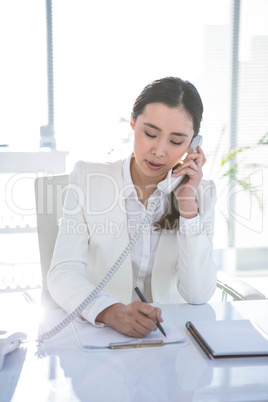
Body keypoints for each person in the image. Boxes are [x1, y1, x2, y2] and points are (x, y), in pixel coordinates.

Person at [47, 77, 217, 338]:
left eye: (176, 141)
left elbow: (197, 294)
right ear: (133, 123)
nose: (159, 151)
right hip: (100, 333)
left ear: (194, 144)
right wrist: (110, 311)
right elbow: (62, 272)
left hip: (170, 339)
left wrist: (186, 205)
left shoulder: (200, 194)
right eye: (150, 133)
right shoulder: (87, 179)